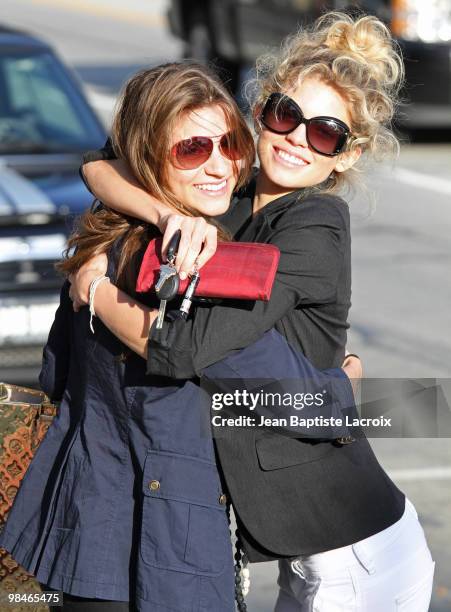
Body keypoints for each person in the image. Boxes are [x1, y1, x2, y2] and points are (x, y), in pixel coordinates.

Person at [73, 12, 435, 612]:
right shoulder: (233, 184)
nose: (297, 138)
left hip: (357, 553)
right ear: (263, 109)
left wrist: (93, 289)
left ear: (347, 156)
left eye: (325, 134)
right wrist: (167, 216)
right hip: (308, 543)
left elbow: (182, 348)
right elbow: (98, 164)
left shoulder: (314, 227)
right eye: (287, 115)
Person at [0, 62, 357, 612]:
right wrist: (342, 390)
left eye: (230, 144)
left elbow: (56, 370)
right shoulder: (188, 267)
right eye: (191, 150)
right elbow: (286, 393)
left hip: (80, 528)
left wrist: (99, 270)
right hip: (165, 552)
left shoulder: (109, 231)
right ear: (146, 159)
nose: (220, 167)